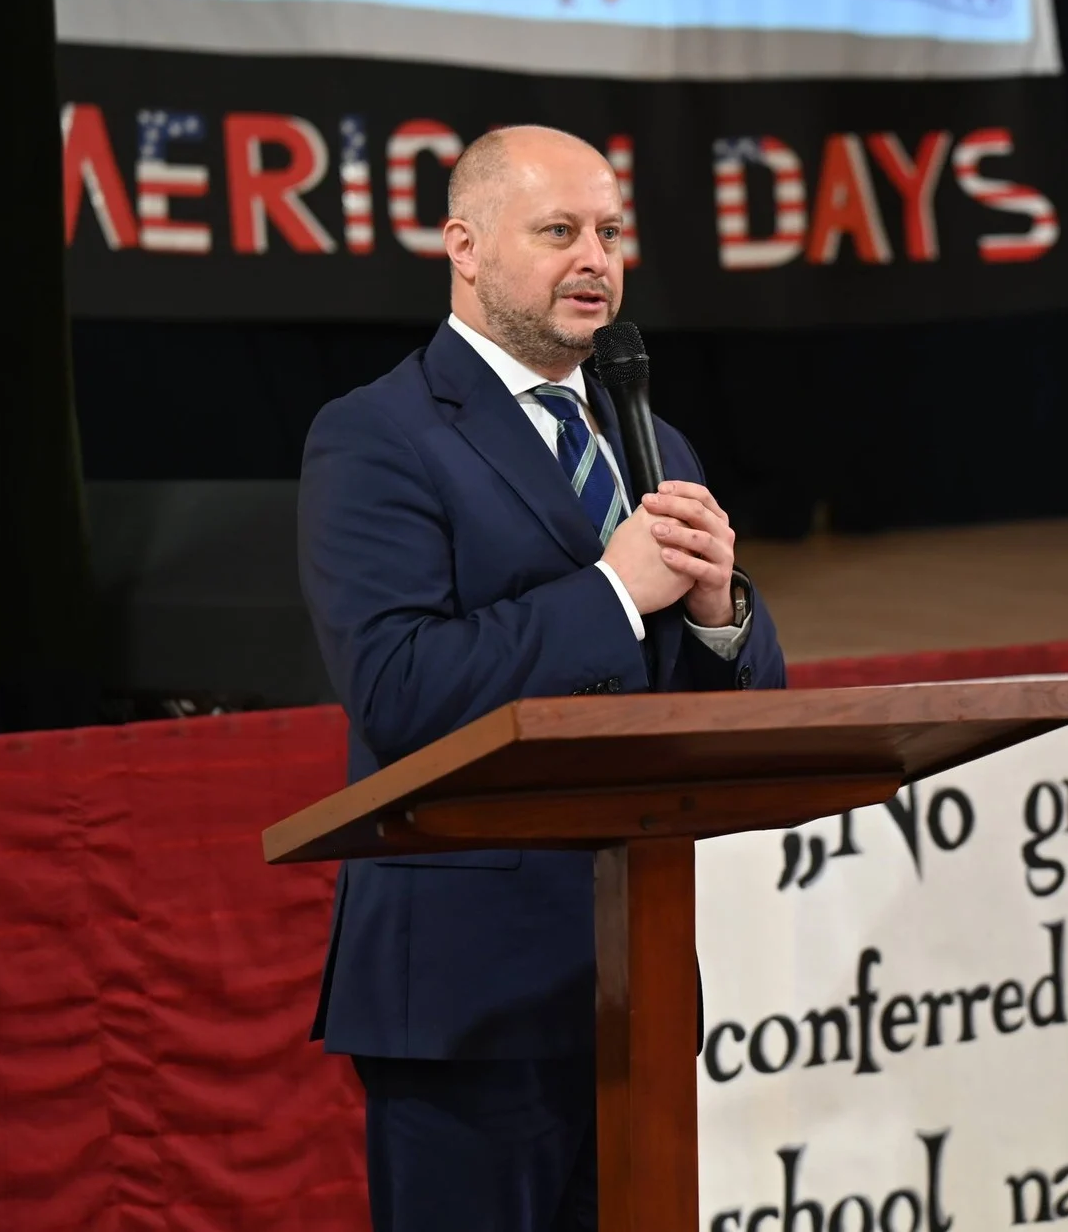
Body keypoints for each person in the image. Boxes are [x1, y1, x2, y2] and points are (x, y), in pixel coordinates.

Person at [297, 124, 788, 1231]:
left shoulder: (650, 436)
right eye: (558, 230)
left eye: (609, 233)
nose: (595, 260)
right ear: (463, 246)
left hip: (635, 978)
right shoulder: (377, 435)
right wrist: (613, 594)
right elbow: (398, 686)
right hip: (466, 993)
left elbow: (737, 717)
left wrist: (720, 613)